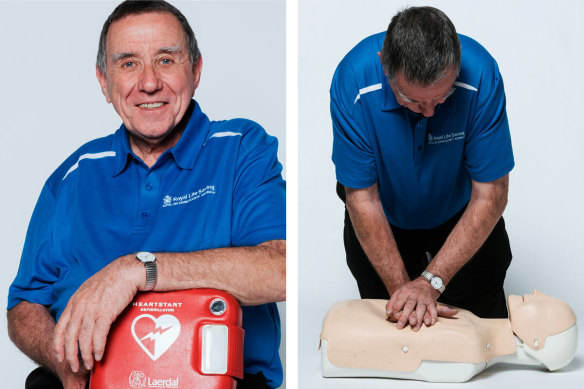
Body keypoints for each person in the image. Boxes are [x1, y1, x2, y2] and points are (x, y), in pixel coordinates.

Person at [6, 1, 285, 389]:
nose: (149, 82)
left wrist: (139, 270)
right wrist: (63, 360)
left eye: (166, 60)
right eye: (128, 63)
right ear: (105, 82)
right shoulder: (73, 174)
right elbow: (23, 304)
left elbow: (282, 270)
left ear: (196, 69)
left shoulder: (240, 149)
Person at [331, 6, 514, 332]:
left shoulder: (481, 72)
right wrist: (406, 291)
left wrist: (431, 282)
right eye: (413, 100)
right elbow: (362, 199)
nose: (429, 112)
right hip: (383, 218)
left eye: (441, 97)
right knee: (397, 336)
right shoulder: (353, 80)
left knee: (485, 335)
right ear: (386, 68)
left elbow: (492, 194)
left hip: (463, 215)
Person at [320, 291, 578, 382]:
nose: (537, 292)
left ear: (537, 342)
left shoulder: (472, 347)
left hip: (340, 330)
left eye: (547, 304)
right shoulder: (473, 329)